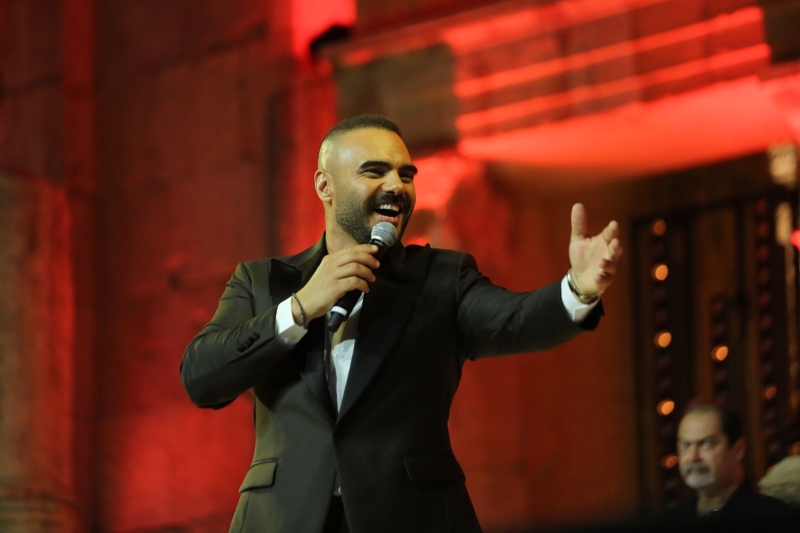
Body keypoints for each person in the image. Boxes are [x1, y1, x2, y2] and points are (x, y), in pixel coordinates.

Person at [180, 114, 623, 533]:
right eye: (375, 172)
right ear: (325, 185)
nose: (396, 186)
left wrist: (578, 289)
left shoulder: (440, 278)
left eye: (406, 175)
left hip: (411, 517)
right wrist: (299, 308)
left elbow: (516, 320)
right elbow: (202, 377)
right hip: (282, 519)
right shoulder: (262, 281)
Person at [668, 400, 790, 523]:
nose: (693, 457)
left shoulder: (777, 518)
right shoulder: (670, 524)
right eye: (685, 445)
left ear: (738, 450)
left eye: (707, 444)